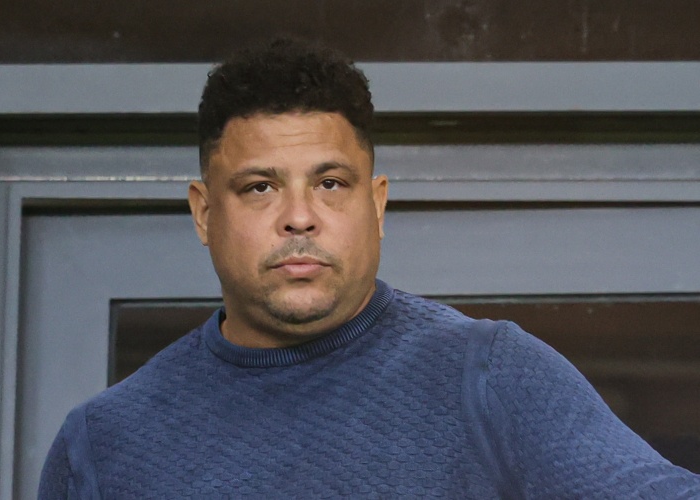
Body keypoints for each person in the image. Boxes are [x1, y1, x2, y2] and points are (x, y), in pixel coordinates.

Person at [38, 39, 700, 499]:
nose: (300, 217)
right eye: (260, 187)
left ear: (376, 204)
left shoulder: (491, 378)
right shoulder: (104, 444)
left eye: (330, 183)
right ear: (204, 212)